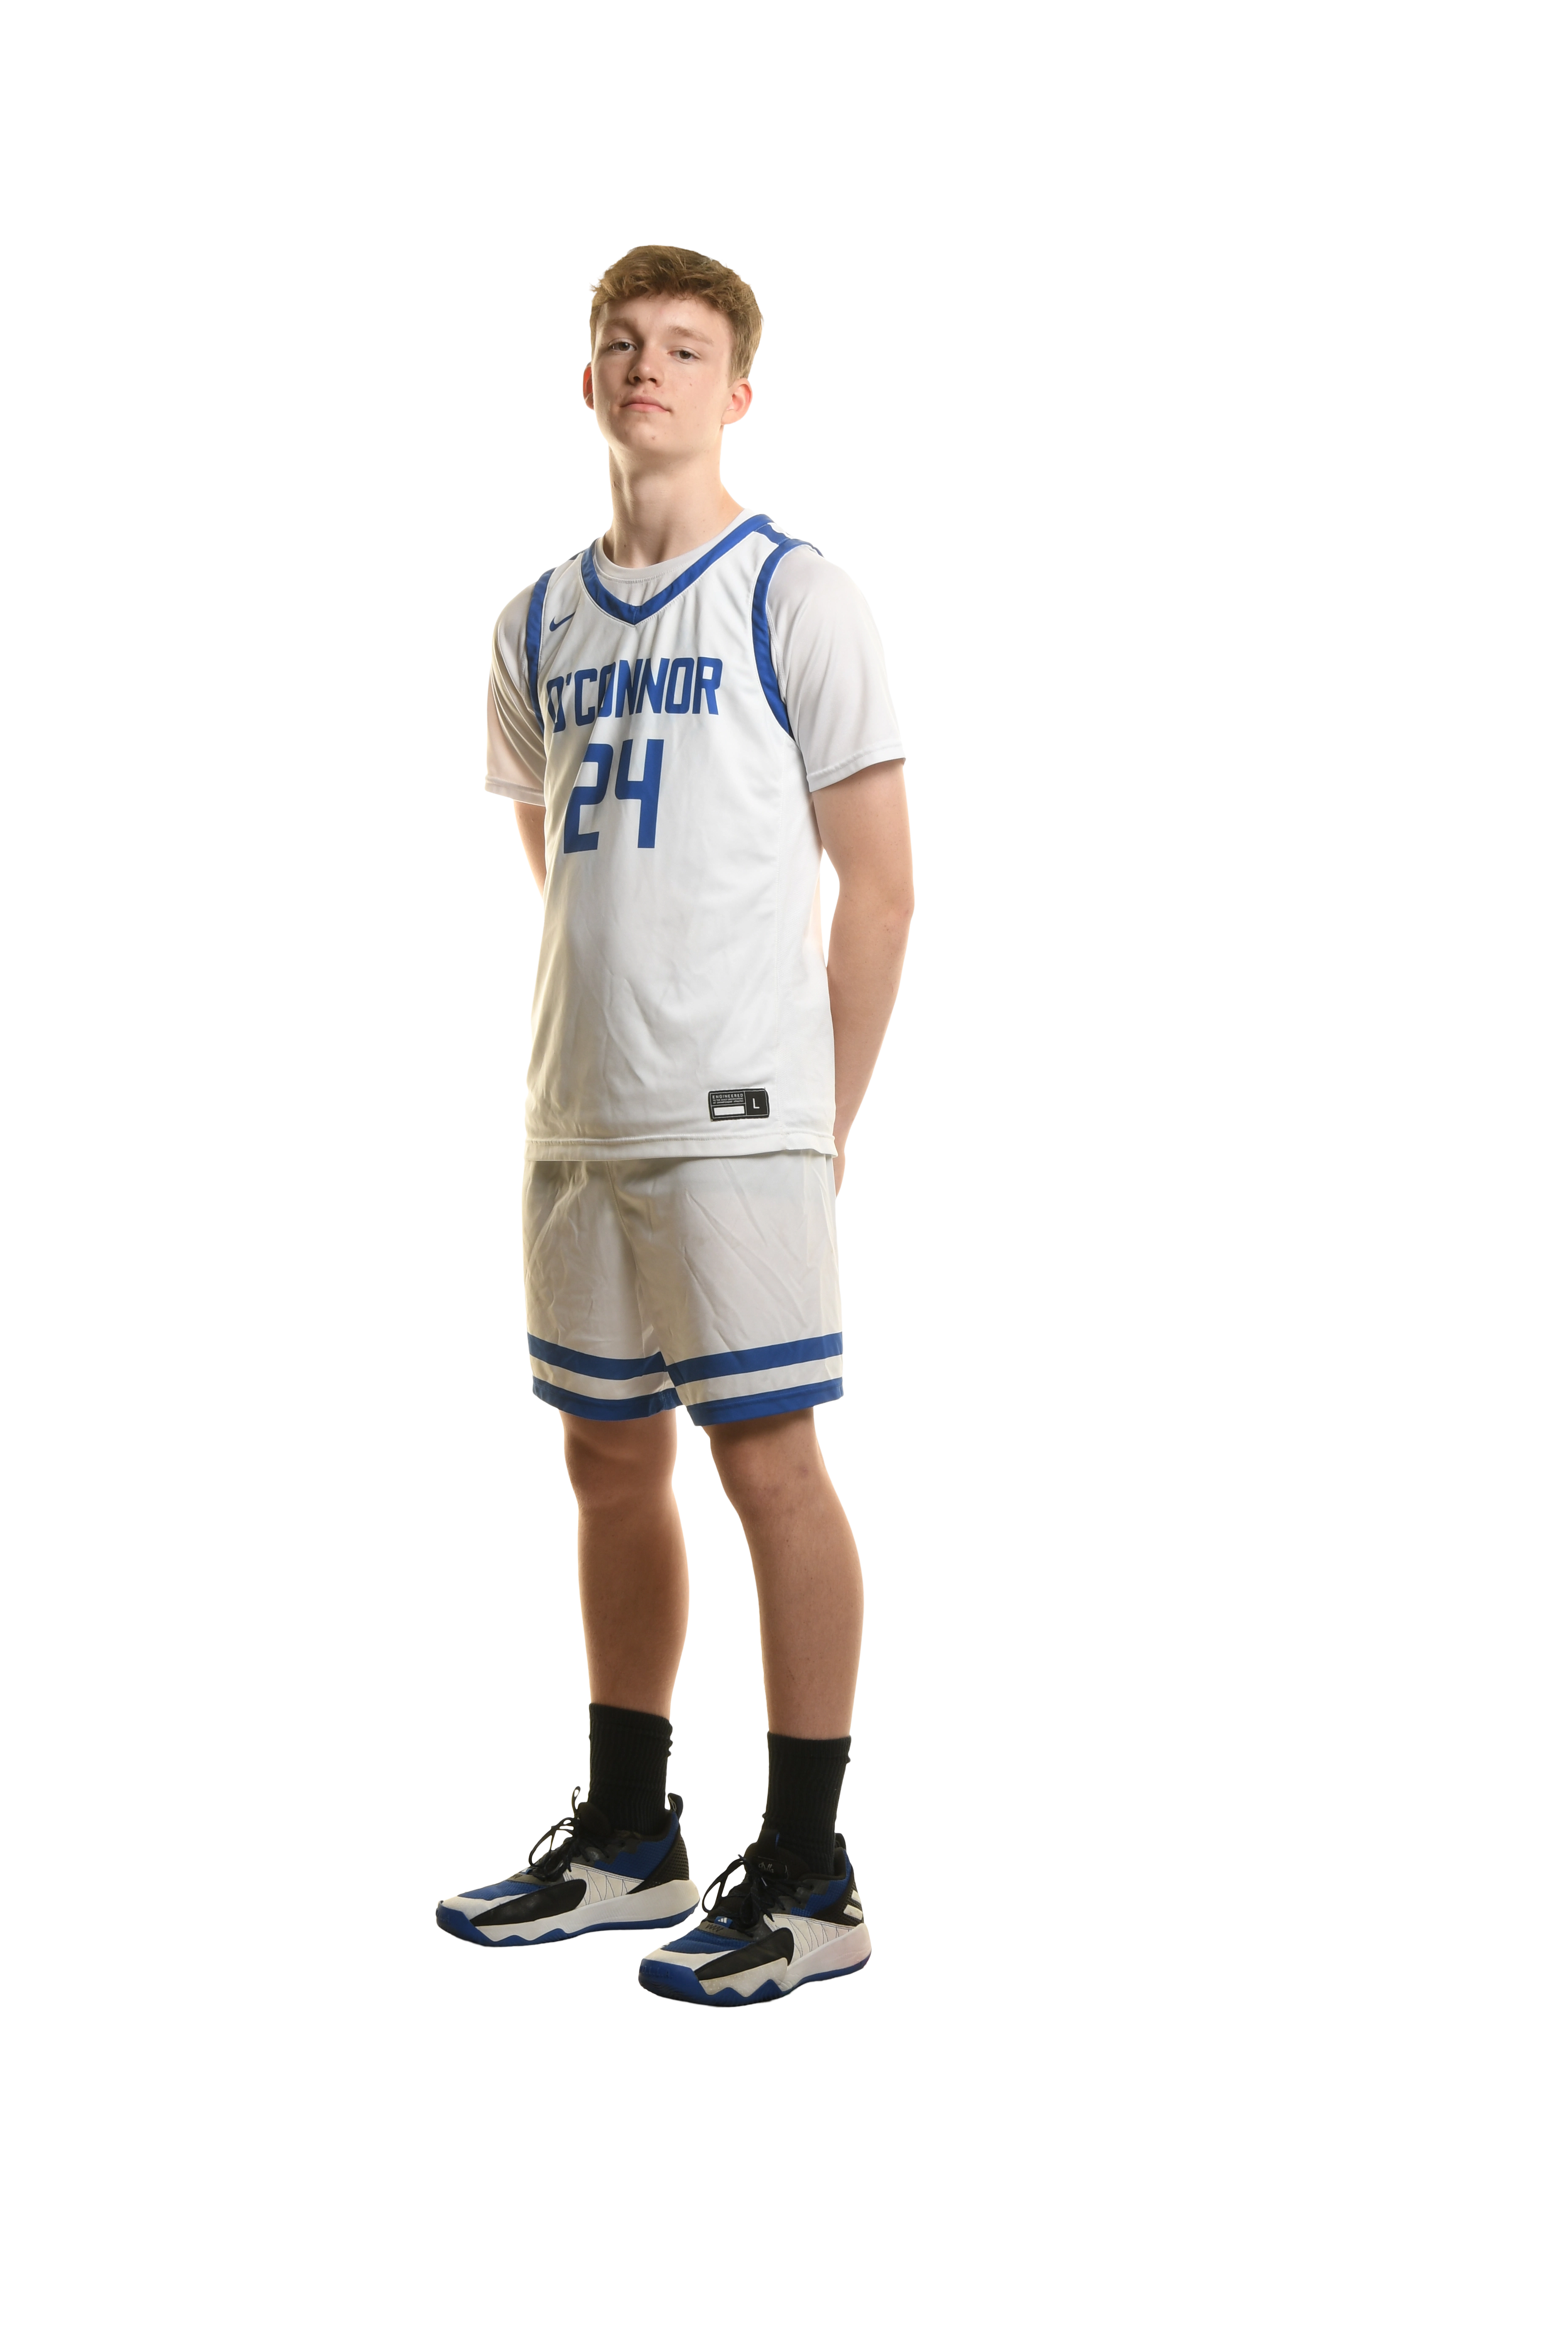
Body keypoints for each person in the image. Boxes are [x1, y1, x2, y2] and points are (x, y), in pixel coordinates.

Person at [435, 244, 914, 2004]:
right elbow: (554, 837)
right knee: (607, 1457)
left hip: (741, 1116)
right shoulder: (533, 623)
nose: (650, 368)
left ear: (739, 390)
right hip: (578, 1108)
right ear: (587, 382)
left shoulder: (796, 596)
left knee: (768, 1460)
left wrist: (823, 1114)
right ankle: (632, 1839)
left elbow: (882, 891)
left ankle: (810, 1872)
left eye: (688, 347)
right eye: (622, 344)